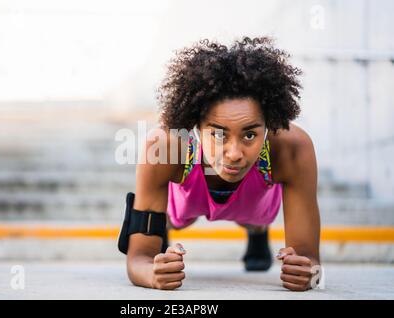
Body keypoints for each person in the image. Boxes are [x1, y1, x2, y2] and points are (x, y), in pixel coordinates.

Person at [119, 37, 321, 291]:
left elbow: (311, 263)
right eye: (217, 134)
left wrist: (306, 272)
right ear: (195, 126)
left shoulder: (293, 147)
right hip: (188, 198)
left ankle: (257, 233)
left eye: (249, 135)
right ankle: (163, 235)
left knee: (254, 217)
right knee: (171, 218)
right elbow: (137, 259)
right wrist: (152, 273)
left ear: (269, 124)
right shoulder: (164, 146)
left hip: (254, 202)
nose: (234, 153)